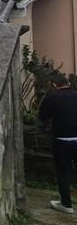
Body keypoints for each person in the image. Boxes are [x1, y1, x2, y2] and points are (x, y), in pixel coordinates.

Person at [39, 73, 77, 214]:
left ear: (55, 85)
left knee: (62, 173)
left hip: (61, 140)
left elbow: (43, 116)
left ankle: (66, 204)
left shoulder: (53, 98)